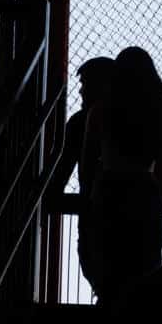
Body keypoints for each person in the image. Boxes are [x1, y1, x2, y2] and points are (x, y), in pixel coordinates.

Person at [84, 46, 162, 301]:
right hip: (145, 193)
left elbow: (88, 166)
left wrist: (90, 200)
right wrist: (159, 204)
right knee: (144, 272)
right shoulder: (158, 112)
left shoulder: (100, 112)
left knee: (110, 270)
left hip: (109, 190)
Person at [48, 57, 116, 299]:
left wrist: (49, 195)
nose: (81, 89)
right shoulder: (126, 120)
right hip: (118, 211)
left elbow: (63, 166)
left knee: (95, 267)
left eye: (86, 83)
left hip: (91, 209)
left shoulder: (79, 122)